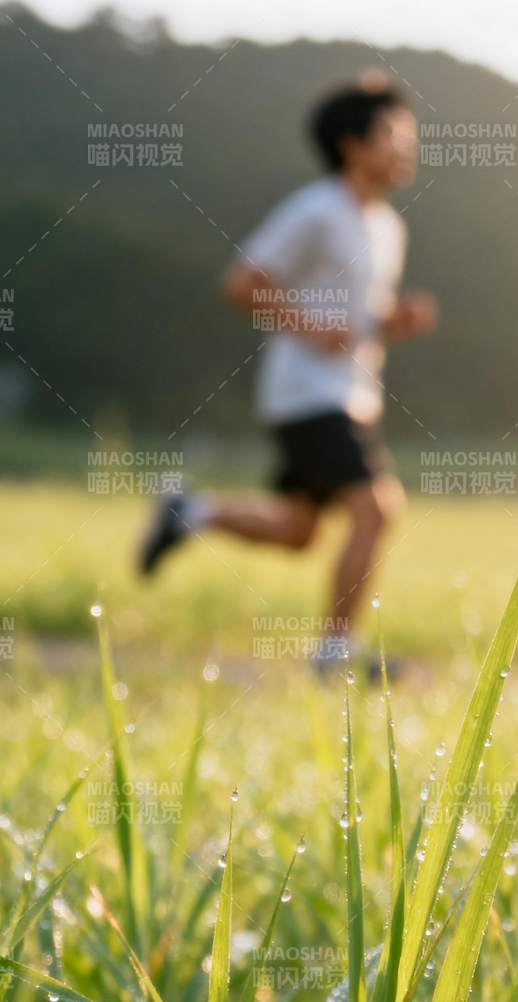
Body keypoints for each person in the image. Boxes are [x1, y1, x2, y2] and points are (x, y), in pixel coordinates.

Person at [138, 74, 438, 666]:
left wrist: (391, 321)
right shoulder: (316, 210)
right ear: (352, 144)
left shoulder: (386, 226)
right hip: (308, 393)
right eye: (394, 134)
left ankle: (191, 512)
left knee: (300, 531)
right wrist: (308, 326)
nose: (408, 146)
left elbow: (354, 315)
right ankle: (336, 654)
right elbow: (242, 283)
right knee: (377, 509)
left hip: (350, 393)